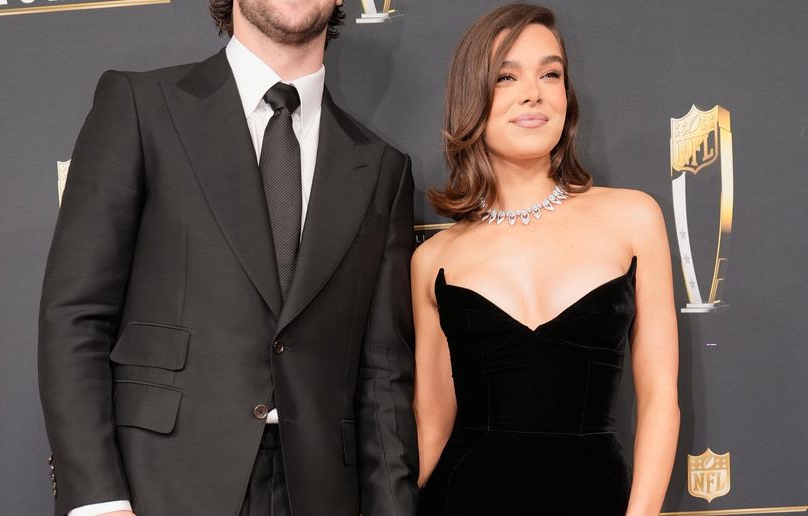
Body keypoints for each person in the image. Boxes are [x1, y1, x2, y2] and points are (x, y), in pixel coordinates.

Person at [38, 1, 419, 515]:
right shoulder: (141, 105)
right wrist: (97, 499)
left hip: (321, 491)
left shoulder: (381, 167)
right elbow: (76, 315)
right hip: (160, 485)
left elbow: (382, 377)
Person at [412, 4, 679, 515]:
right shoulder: (434, 259)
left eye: (550, 73)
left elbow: (660, 398)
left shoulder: (633, 218)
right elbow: (433, 426)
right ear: (472, 97)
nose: (533, 91)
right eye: (506, 76)